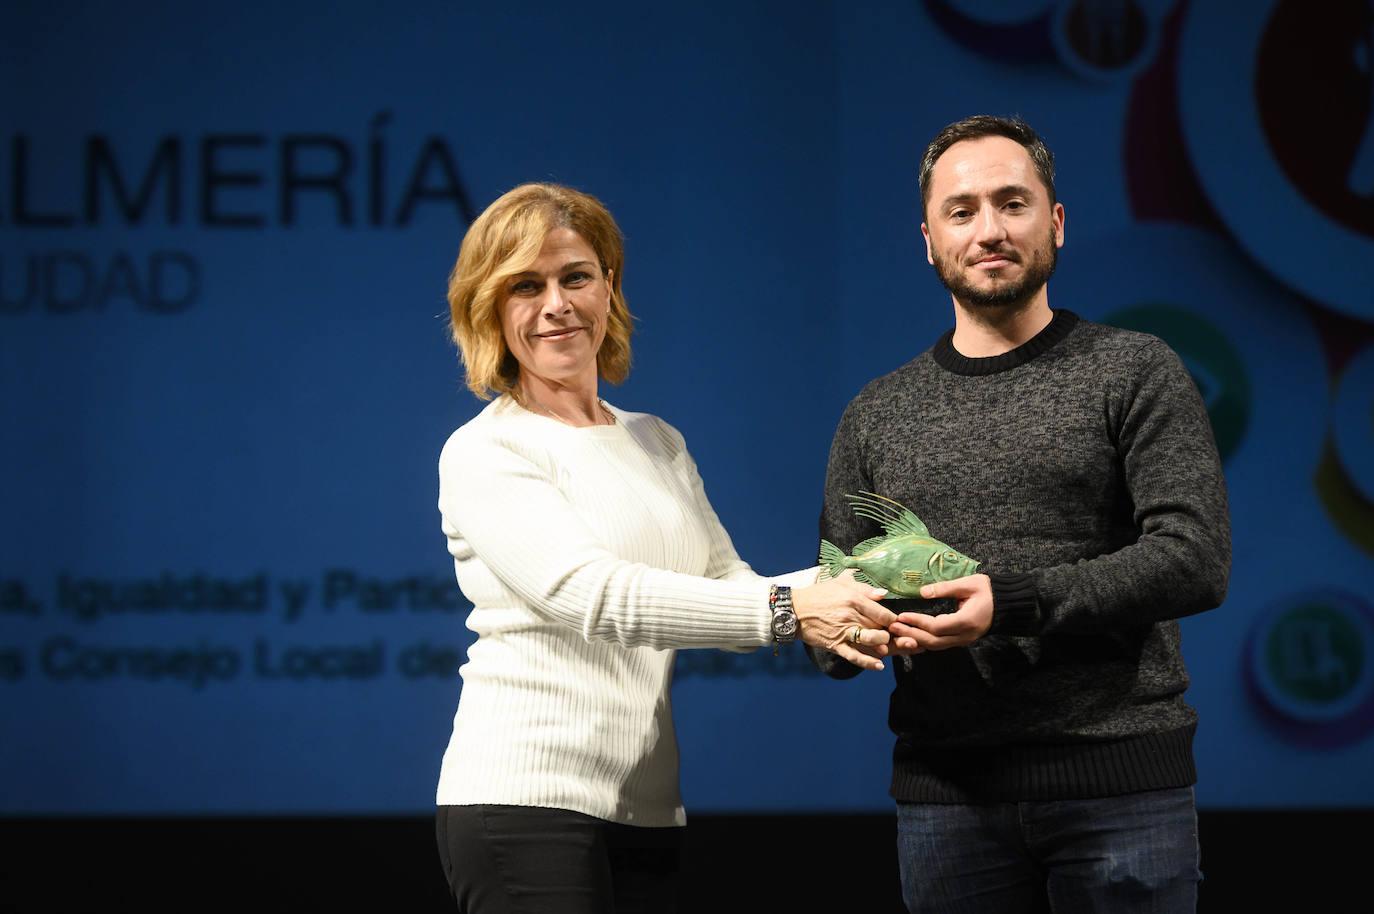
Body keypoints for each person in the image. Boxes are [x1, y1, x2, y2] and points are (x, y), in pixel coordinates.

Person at [432, 182, 896, 913]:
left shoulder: (654, 438)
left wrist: (869, 581)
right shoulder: (485, 451)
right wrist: (796, 607)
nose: (557, 303)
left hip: (644, 807)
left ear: (609, 287)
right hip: (523, 804)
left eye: (575, 277)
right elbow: (597, 597)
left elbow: (730, 583)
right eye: (526, 285)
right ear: (489, 308)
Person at [808, 115, 1231, 912]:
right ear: (929, 239)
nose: (990, 229)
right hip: (946, 799)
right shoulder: (876, 413)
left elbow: (1194, 557)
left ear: (1057, 223)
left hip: (1119, 787)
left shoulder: (1134, 370)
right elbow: (835, 607)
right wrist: (848, 634)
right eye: (962, 211)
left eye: (1014, 203)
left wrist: (1012, 602)